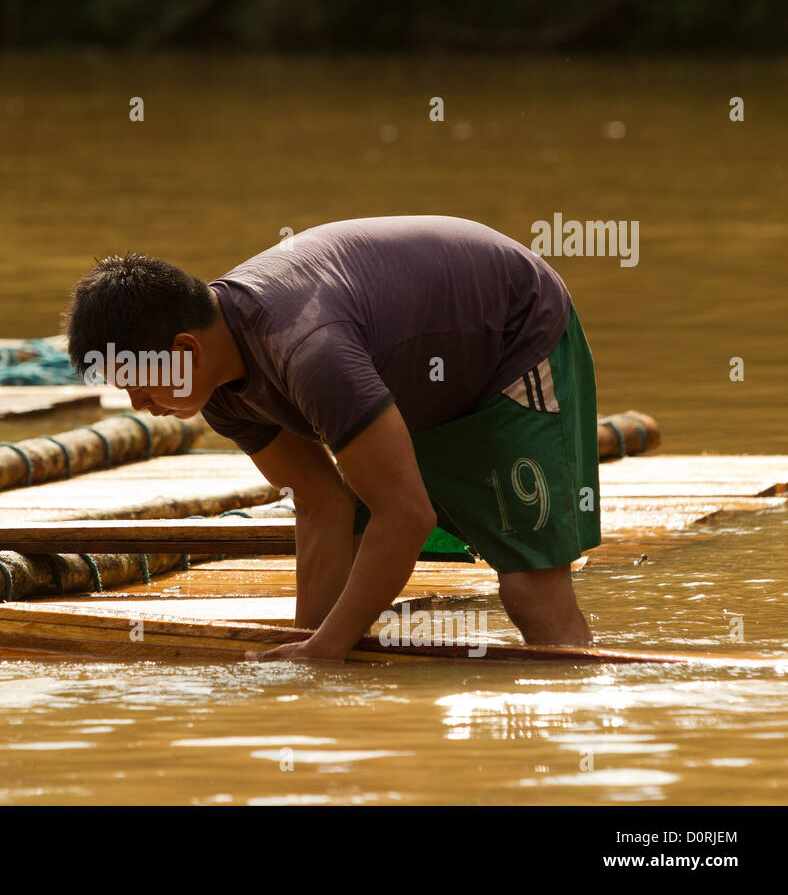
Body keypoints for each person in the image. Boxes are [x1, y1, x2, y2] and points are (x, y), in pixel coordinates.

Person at [63, 215, 599, 663]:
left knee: (529, 583)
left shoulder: (311, 352)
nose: (137, 405)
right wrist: (305, 651)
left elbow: (407, 517)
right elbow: (323, 505)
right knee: (360, 565)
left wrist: (327, 648)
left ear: (186, 348)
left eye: (136, 383)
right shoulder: (219, 387)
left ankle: (572, 726)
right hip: (408, 366)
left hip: (510, 329)